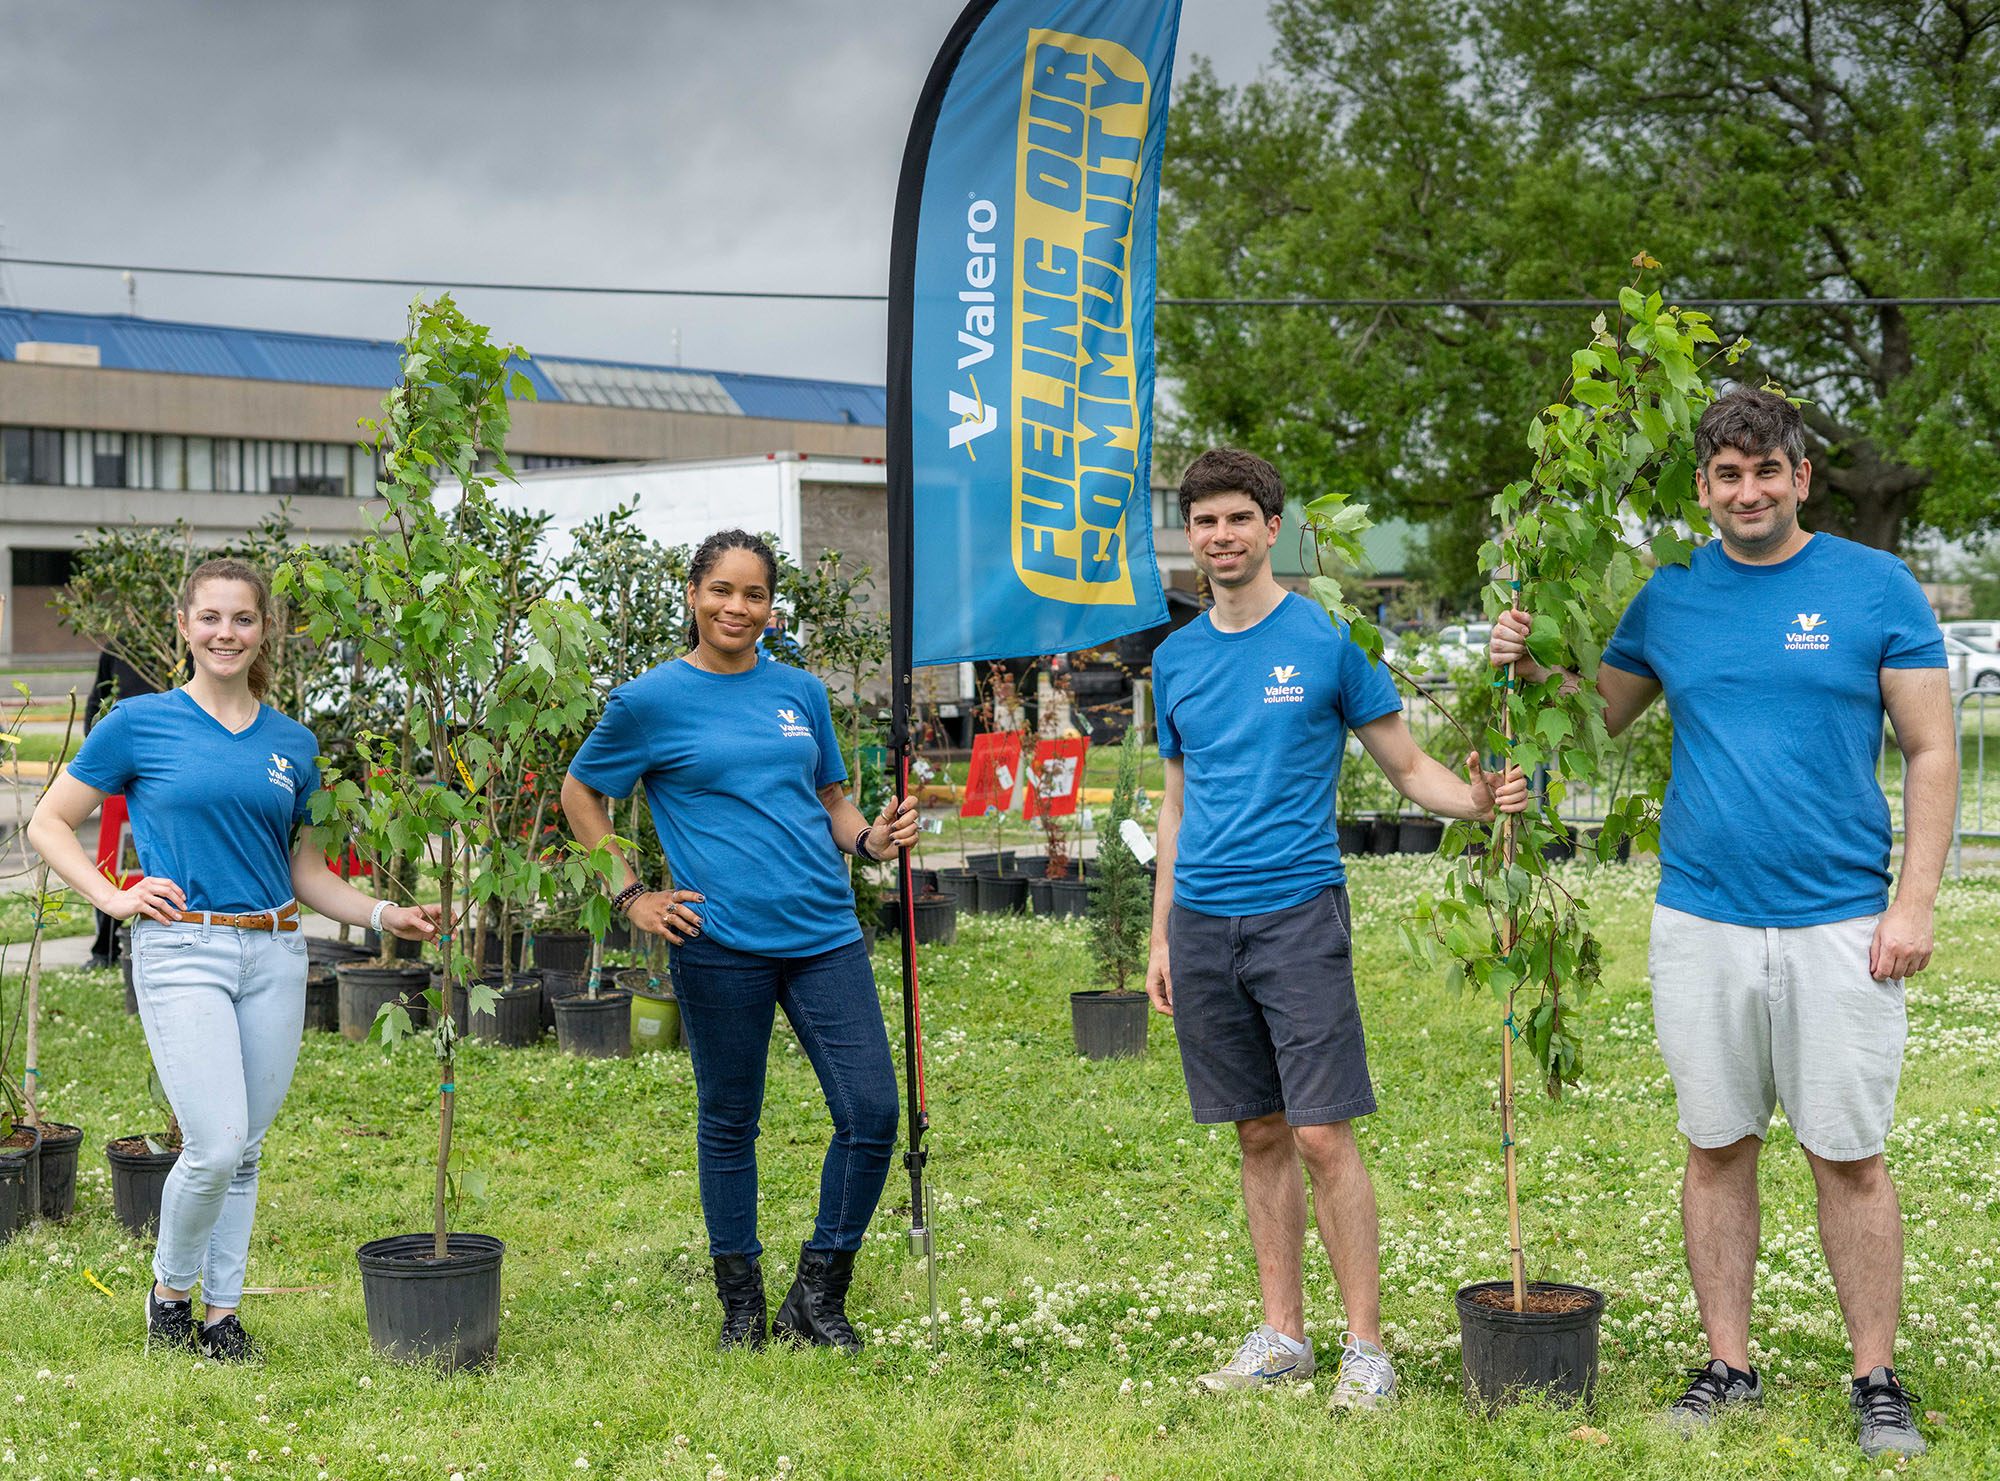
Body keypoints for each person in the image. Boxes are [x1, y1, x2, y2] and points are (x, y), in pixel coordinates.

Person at [1487, 388, 1954, 1461]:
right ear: (1701, 489)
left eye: (1765, 471)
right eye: (1725, 475)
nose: (1746, 490)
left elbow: (1930, 748)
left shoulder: (1871, 585)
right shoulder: (1671, 594)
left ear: (1798, 476)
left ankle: (1874, 1378)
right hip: (1698, 916)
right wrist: (1525, 662)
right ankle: (1727, 1368)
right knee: (1715, 1143)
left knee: (1846, 1153)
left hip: (1839, 918)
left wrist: (1911, 900)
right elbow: (1594, 713)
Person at [1146, 450, 1528, 1409]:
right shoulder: (1176, 657)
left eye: (1239, 518)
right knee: (1258, 1130)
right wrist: (1159, 936)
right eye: (1205, 522)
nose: (1221, 537)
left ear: (1274, 528)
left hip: (1297, 913)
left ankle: (1367, 1346)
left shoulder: (1327, 641)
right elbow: (1175, 805)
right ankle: (1283, 1334)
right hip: (1201, 921)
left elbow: (1407, 768)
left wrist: (1477, 802)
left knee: (1321, 1132)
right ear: (1190, 536)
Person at [27, 558, 441, 1361]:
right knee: (214, 1142)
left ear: (263, 632)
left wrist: (388, 912)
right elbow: (49, 822)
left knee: (245, 1148)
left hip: (277, 952)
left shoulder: (294, 743)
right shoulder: (140, 723)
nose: (226, 632)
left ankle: (221, 1315)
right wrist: (113, 897)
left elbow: (308, 873)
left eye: (242, 619)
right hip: (183, 949)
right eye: (210, 617)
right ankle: (169, 1296)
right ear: (184, 626)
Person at [560, 528, 917, 1354]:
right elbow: (583, 795)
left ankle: (818, 1293)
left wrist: (870, 839)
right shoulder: (648, 701)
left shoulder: (800, 692)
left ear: (769, 606)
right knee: (730, 1119)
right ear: (693, 594)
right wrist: (631, 894)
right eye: (722, 589)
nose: (737, 607)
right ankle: (743, 1309)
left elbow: (832, 799)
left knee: (871, 1111)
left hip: (824, 932)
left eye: (754, 594)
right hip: (719, 942)